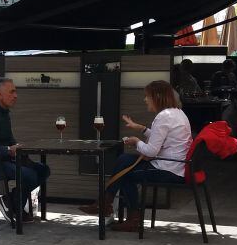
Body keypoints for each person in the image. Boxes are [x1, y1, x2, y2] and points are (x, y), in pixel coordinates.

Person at [80, 80, 192, 233]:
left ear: (157, 97)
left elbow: (151, 151)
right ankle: (107, 203)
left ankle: (125, 215)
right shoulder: (177, 113)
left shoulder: (163, 117)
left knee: (126, 174)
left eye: (147, 96)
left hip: (169, 169)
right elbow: (162, 138)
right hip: (176, 166)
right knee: (124, 160)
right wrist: (141, 129)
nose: (145, 100)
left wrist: (136, 141)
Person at [0, 77, 51, 222]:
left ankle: (11, 203)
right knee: (28, 175)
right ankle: (14, 207)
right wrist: (8, 150)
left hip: (5, 159)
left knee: (43, 170)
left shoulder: (4, 112)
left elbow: (8, 140)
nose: (16, 95)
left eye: (15, 92)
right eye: (12, 92)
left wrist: (18, 149)